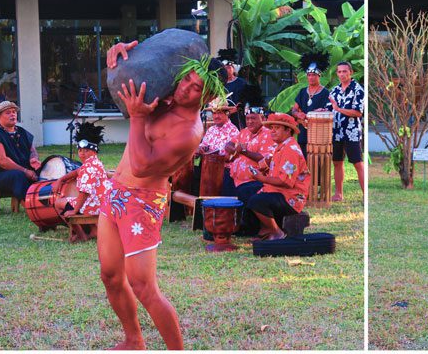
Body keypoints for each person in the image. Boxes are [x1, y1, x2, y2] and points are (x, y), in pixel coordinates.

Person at [100, 40, 227, 349]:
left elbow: (142, 166)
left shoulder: (188, 132)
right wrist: (118, 60)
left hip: (142, 202)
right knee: (111, 276)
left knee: (144, 287)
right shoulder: (165, 95)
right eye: (186, 79)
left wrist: (138, 117)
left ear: (208, 96)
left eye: (196, 88)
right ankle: (134, 340)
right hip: (115, 192)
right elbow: (136, 75)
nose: (185, 88)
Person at [245, 113, 310, 241]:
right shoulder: (282, 146)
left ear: (288, 130)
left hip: (291, 197)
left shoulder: (290, 150)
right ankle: (264, 230)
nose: (272, 131)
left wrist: (261, 178)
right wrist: (264, 171)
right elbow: (278, 174)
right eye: (272, 128)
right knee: (246, 191)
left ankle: (276, 232)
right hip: (279, 192)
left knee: (256, 201)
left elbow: (285, 182)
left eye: (277, 128)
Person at [53, 122, 112, 241]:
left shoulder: (89, 168)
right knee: (74, 202)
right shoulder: (95, 163)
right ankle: (93, 231)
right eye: (80, 150)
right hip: (102, 204)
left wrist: (74, 210)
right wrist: (61, 179)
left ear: (94, 151)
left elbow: (84, 193)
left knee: (59, 203)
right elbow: (77, 172)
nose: (82, 153)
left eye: (86, 150)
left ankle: (81, 235)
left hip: (95, 206)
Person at [224, 105, 276, 202]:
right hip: (235, 180)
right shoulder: (244, 132)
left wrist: (244, 151)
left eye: (253, 118)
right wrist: (235, 149)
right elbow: (228, 145)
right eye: (247, 119)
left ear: (263, 118)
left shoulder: (268, 134)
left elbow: (265, 159)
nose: (250, 121)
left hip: (253, 182)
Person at [329, 61, 364, 200]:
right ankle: (338, 194)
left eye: (345, 71)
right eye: (339, 71)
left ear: (351, 72)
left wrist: (339, 109)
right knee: (337, 162)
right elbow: (329, 107)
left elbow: (358, 112)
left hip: (352, 132)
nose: (342, 74)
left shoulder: (358, 90)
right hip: (336, 131)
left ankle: (365, 195)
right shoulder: (335, 90)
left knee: (357, 163)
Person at [0, 100, 41, 201]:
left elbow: (32, 150)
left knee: (47, 167)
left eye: (14, 112)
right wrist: (25, 171)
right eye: (8, 112)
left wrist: (33, 159)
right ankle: (31, 204)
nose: (12, 114)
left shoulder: (22, 131)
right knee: (17, 175)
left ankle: (52, 199)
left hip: (24, 170)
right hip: (0, 174)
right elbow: (1, 161)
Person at [291, 52, 331, 158]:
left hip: (318, 135)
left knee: (317, 163)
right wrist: (298, 115)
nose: (311, 77)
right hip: (303, 134)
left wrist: (312, 116)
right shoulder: (302, 92)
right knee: (303, 161)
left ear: (319, 75)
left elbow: (328, 112)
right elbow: (294, 110)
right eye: (309, 75)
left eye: (314, 75)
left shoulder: (326, 93)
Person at [215, 48, 250, 129]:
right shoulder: (218, 84)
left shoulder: (242, 83)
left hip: (237, 118)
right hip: (220, 117)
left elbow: (246, 100)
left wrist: (237, 108)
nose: (226, 70)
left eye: (228, 67)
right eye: (224, 68)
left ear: (233, 68)